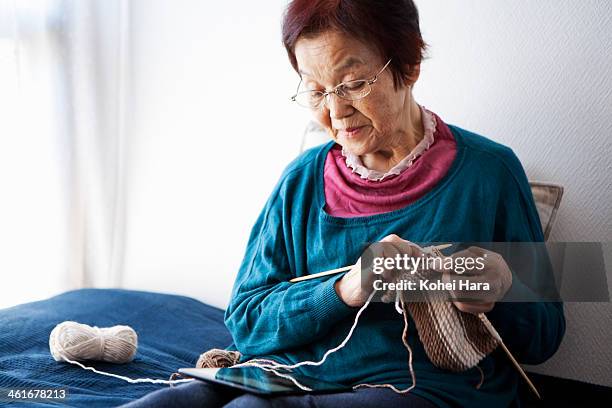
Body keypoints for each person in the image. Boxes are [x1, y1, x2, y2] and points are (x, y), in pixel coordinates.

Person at [122, 0, 565, 406]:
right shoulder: (302, 180)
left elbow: (544, 338)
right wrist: (343, 291)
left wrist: (505, 288)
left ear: (408, 66)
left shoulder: (488, 173)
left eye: (353, 84)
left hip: (419, 388)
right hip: (293, 372)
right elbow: (246, 321)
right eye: (315, 90)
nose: (335, 110)